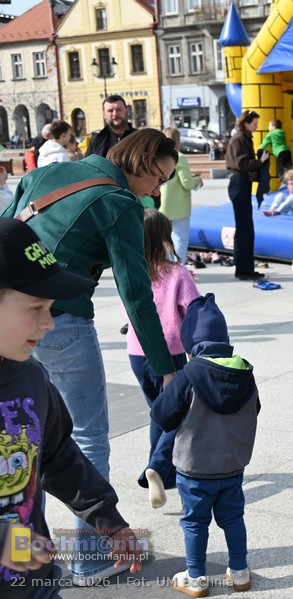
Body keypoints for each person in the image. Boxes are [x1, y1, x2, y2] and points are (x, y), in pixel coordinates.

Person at [1, 128, 179, 586]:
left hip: (13, 321)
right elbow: (136, 293)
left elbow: (6, 229)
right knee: (86, 436)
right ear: (139, 162)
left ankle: (25, 554)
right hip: (65, 322)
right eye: (159, 178)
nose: (157, 191)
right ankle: (91, 557)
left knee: (32, 436)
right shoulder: (120, 205)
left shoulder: (53, 170)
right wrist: (165, 366)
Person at [0, 217, 144, 597]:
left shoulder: (31, 377)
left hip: (34, 582)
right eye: (36, 307)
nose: (48, 323)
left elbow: (59, 455)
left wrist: (108, 519)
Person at [151, 293, 259, 597]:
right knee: (233, 518)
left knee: (195, 523)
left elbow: (162, 415)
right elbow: (255, 410)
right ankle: (239, 573)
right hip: (232, 465)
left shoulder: (189, 374)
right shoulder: (246, 374)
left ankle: (196, 578)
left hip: (195, 468)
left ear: (191, 344)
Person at [122, 209, 201, 508]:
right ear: (165, 237)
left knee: (157, 410)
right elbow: (193, 313)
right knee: (178, 412)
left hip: (136, 351)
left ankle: (160, 472)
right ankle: (157, 466)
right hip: (171, 352)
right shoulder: (178, 274)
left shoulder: (130, 269)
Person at [225, 109, 269, 281]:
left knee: (245, 229)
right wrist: (261, 162)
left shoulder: (241, 138)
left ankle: (243, 267)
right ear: (246, 123)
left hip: (241, 183)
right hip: (239, 183)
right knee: (245, 229)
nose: (256, 127)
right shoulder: (239, 139)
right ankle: (244, 269)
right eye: (255, 124)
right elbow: (242, 164)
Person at [159, 127, 204, 266]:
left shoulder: (160, 156)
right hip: (179, 206)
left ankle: (165, 267)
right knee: (180, 238)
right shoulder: (180, 157)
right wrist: (197, 180)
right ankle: (179, 269)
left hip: (162, 204)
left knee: (164, 240)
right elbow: (186, 183)